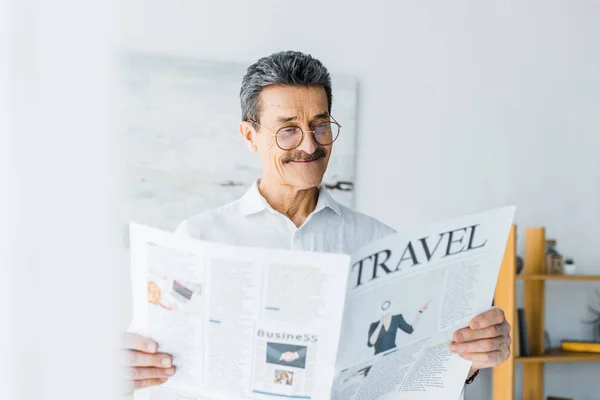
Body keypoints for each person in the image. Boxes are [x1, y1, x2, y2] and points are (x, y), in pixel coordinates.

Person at [121, 51, 511, 392]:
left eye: (320, 126)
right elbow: (149, 358)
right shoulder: (199, 237)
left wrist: (474, 357)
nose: (310, 145)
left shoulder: (381, 243)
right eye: (288, 130)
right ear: (249, 135)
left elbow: (423, 361)